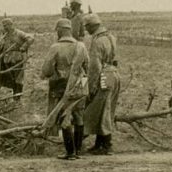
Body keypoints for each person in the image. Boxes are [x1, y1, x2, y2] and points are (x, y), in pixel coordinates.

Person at [41, 18, 89, 160]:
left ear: (60, 31)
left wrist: (50, 74)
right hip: (80, 84)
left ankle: (70, 152)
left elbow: (47, 70)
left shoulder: (55, 47)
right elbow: (87, 66)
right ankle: (78, 150)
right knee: (79, 116)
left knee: (64, 116)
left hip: (63, 85)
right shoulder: (81, 46)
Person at [83, 13, 120, 155]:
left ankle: (106, 145)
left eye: (87, 27)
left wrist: (91, 88)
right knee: (107, 109)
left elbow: (94, 68)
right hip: (114, 74)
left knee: (101, 109)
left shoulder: (97, 42)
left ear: (93, 25)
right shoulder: (111, 37)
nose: (86, 30)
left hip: (104, 75)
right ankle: (100, 144)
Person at [0, 18, 35, 101]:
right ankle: (15, 97)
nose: (5, 27)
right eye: (4, 26)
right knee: (11, 80)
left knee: (18, 79)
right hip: (7, 61)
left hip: (18, 60)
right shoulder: (4, 36)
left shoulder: (19, 33)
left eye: (6, 25)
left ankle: (17, 98)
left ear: (11, 25)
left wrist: (23, 47)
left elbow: (31, 38)